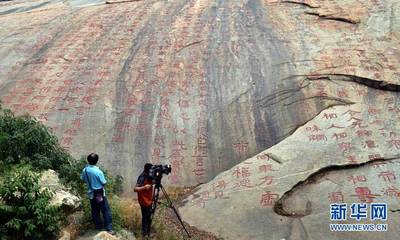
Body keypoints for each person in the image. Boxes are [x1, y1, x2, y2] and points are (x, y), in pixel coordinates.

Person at [81, 153, 114, 235]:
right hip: (99, 194)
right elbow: (104, 183)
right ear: (97, 161)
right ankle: (109, 229)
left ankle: (98, 227)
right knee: (105, 210)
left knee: (95, 211)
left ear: (88, 160)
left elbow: (83, 179)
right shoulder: (98, 172)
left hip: (91, 194)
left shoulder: (85, 170)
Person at [134, 163, 154, 237]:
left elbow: (153, 182)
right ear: (147, 171)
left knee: (149, 216)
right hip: (143, 200)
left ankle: (148, 231)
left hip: (149, 199)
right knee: (145, 217)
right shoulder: (142, 177)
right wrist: (144, 187)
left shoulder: (150, 175)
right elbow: (135, 189)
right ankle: (144, 233)